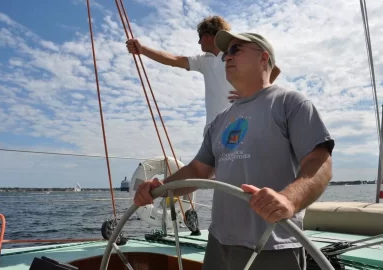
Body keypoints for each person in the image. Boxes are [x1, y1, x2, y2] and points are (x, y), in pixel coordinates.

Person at [133, 30, 334, 270]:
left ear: (263, 58)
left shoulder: (290, 103)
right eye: (226, 53)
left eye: (236, 50)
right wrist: (161, 188)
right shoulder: (220, 121)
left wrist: (288, 199)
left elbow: (320, 161)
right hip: (219, 244)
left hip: (272, 245)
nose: (227, 57)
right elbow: (198, 169)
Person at [126, 16, 280, 136]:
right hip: (213, 128)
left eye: (200, 37)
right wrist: (142, 50)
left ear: (208, 36)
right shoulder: (203, 61)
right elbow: (174, 60)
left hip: (240, 123)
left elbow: (274, 69)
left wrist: (252, 93)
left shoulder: (236, 53)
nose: (199, 41)